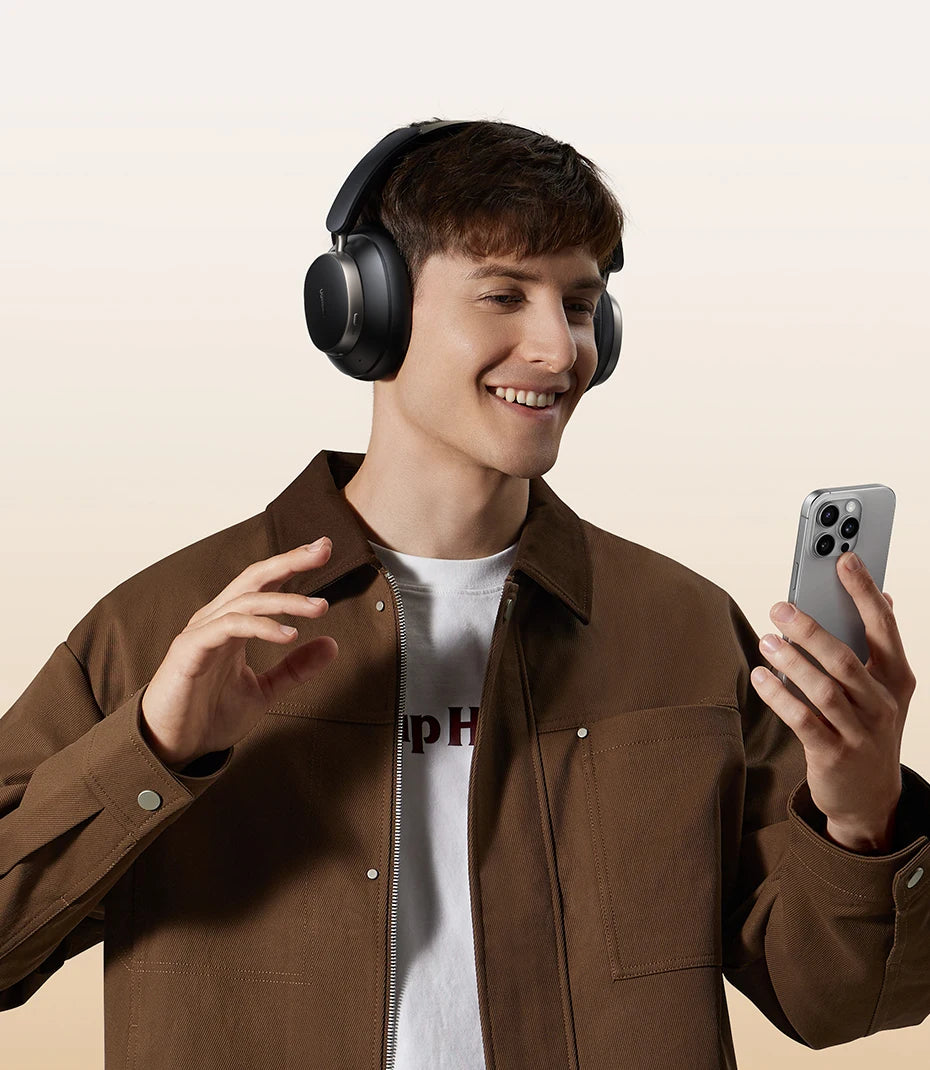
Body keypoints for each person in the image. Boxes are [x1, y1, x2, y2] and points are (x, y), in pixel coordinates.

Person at [1, 117, 928, 1070]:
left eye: (579, 304)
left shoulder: (684, 629)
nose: (560, 350)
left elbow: (834, 1004)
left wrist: (860, 818)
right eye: (502, 296)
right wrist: (154, 751)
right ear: (367, 311)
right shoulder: (165, 626)